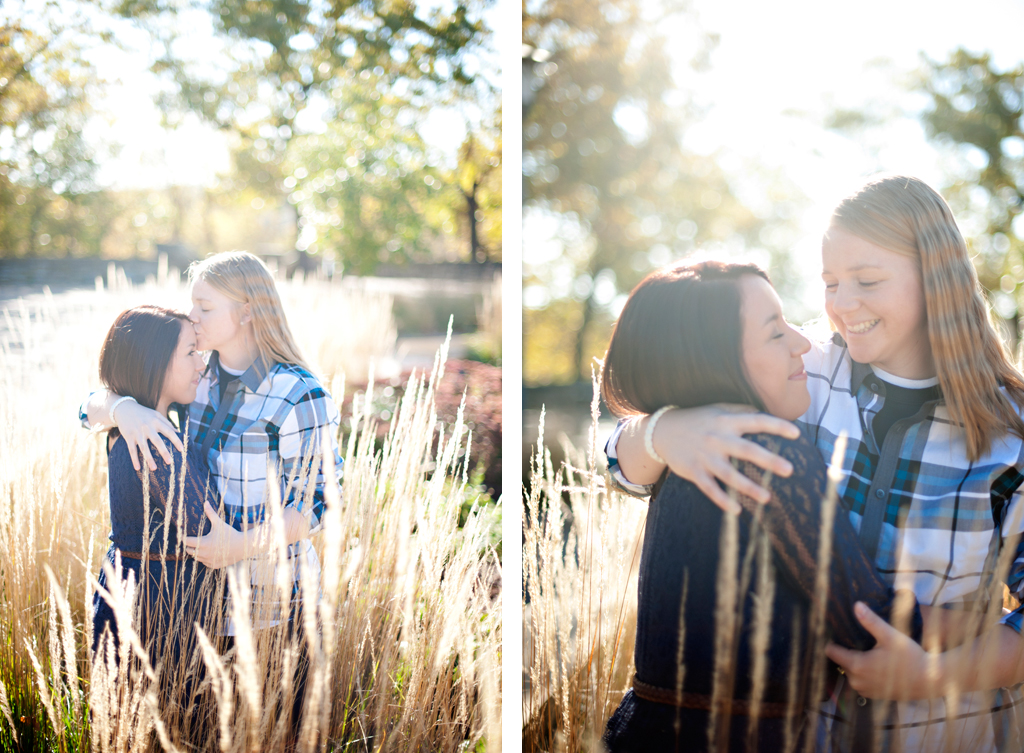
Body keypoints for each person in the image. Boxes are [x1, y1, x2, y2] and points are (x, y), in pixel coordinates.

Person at [606, 175, 1024, 751]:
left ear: (937, 277)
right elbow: (623, 463)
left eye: (867, 281)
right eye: (830, 282)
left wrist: (933, 675)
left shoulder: (1010, 433)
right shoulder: (801, 375)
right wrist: (663, 430)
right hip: (806, 736)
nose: (841, 305)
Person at [599, 260, 925, 753]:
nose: (802, 344)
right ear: (715, 359)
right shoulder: (766, 451)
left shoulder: (689, 446)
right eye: (776, 334)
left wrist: (659, 430)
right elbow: (868, 626)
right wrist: (989, 624)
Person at [82, 250, 343, 730]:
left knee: (278, 732)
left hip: (274, 602)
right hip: (203, 604)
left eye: (205, 307)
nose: (193, 318)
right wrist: (123, 409)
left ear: (245, 311)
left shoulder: (298, 393)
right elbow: (89, 407)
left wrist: (241, 544)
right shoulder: (197, 378)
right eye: (192, 305)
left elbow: (321, 504)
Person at [91, 305, 215, 675]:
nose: (201, 364)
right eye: (190, 352)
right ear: (155, 362)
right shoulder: (154, 438)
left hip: (140, 595)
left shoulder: (140, 422)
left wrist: (117, 406)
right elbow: (204, 529)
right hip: (156, 611)